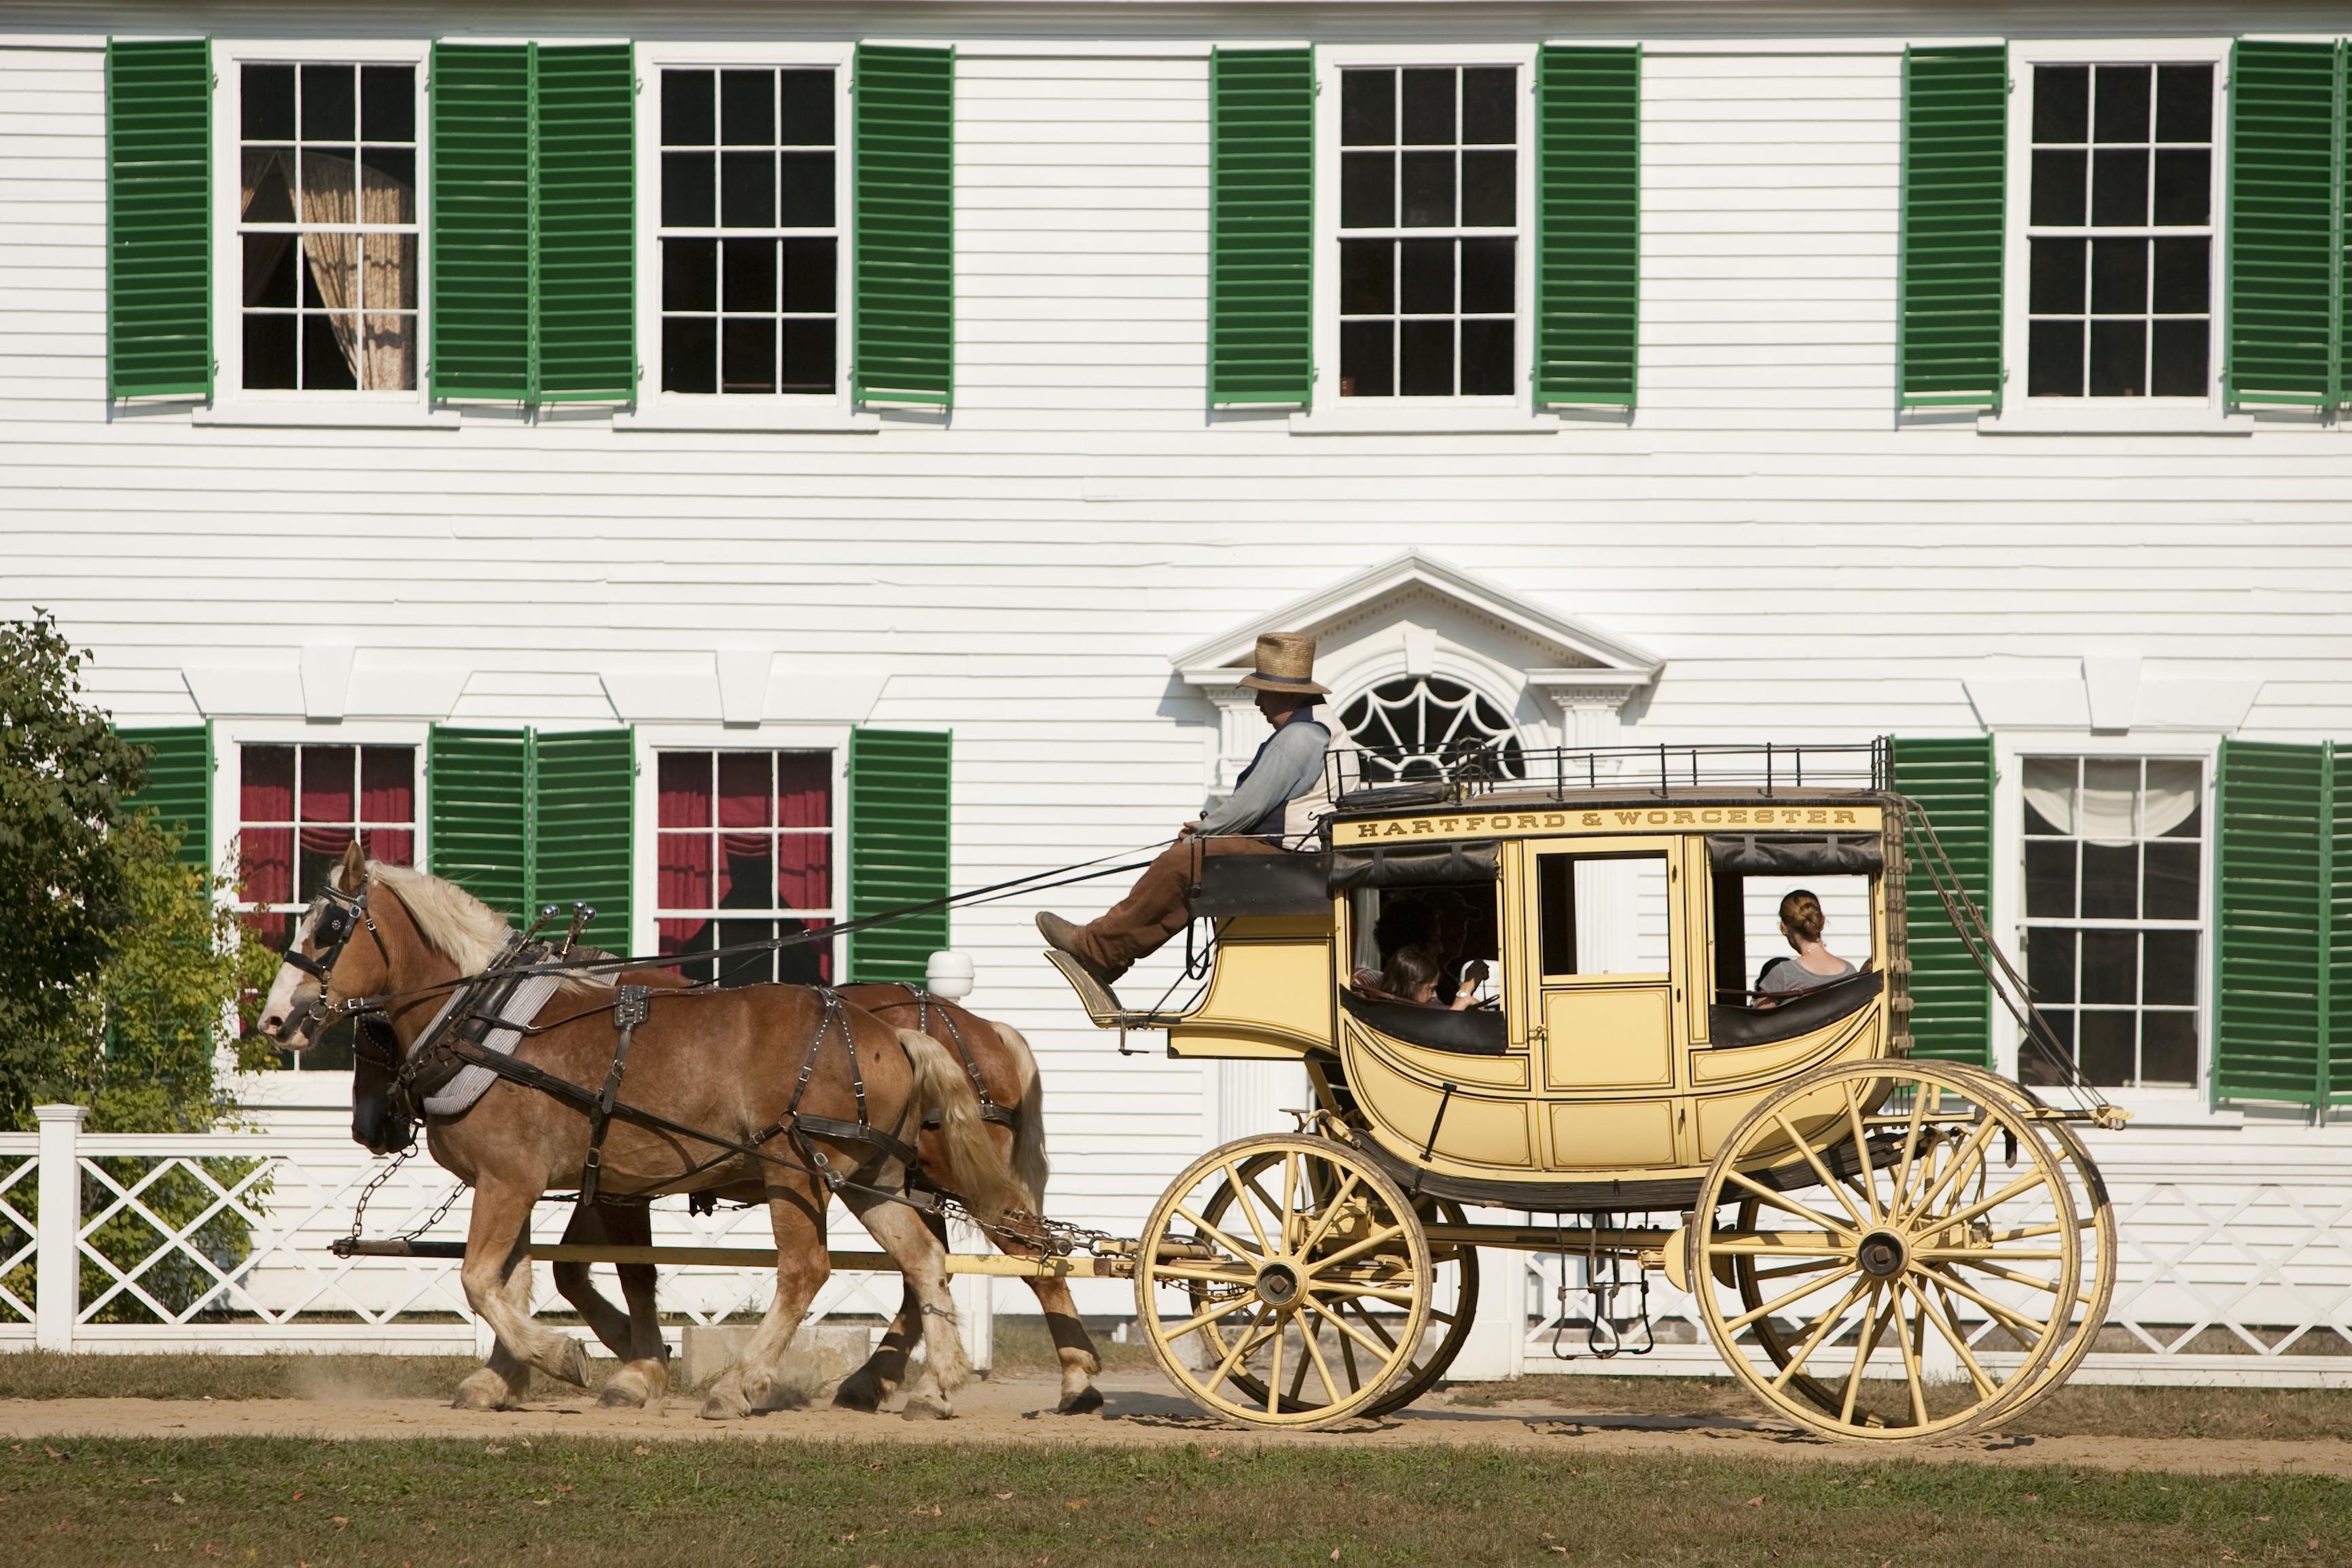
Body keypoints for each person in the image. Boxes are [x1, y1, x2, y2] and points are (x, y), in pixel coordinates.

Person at [1037, 632, 1332, 987]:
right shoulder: (1320, 727)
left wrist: (1202, 832)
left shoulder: (1301, 737)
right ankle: (1109, 958)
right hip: (1298, 852)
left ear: (1291, 694)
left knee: (1183, 862)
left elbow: (1247, 807)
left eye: (1263, 691)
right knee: (1188, 863)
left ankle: (1097, 950)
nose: (1257, 702)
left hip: (1291, 856)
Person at [1753, 889, 1855, 1005]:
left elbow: (1758, 1021)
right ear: (1822, 921)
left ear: (1784, 927)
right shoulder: (1850, 972)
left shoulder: (1783, 974)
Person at [1365, 946, 1489, 1010]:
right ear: (1413, 986)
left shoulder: (1423, 1007)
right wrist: (1464, 999)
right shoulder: (1399, 1015)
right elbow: (1434, 1031)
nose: (1435, 995)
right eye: (1431, 989)